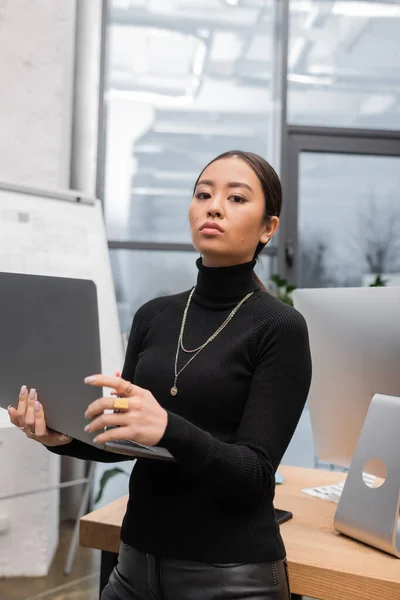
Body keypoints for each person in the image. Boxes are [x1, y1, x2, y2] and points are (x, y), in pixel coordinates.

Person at [8, 150, 312, 600]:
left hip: (229, 579)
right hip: (135, 566)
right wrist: (62, 437)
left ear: (269, 228)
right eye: (203, 194)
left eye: (236, 198)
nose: (213, 206)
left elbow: (255, 476)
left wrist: (168, 427)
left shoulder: (280, 328)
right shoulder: (155, 315)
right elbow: (128, 441)